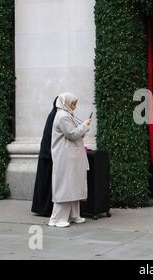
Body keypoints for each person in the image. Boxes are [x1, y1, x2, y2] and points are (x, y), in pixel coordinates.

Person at [49, 92, 91, 227]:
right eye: (73, 103)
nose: (75, 106)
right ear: (65, 102)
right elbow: (72, 134)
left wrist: (82, 128)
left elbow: (74, 133)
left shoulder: (66, 115)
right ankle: (57, 218)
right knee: (65, 186)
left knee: (73, 184)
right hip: (65, 157)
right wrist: (84, 125)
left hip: (71, 156)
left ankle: (73, 215)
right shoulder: (62, 116)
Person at [31, 96, 58, 217]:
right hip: (49, 154)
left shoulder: (53, 114)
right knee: (47, 183)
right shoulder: (55, 116)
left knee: (45, 182)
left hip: (47, 153)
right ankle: (45, 208)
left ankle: (42, 207)